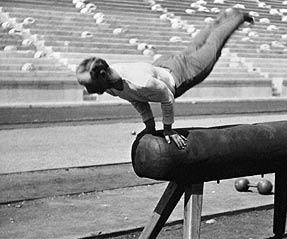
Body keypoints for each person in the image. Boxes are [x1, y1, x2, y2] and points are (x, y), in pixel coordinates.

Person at [76, 8, 253, 149]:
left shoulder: (140, 82)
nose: (86, 89)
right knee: (194, 45)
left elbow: (167, 97)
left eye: (87, 84)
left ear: (102, 75)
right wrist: (149, 125)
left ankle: (238, 16)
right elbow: (135, 98)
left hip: (181, 74)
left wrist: (168, 129)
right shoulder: (110, 83)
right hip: (161, 67)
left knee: (213, 46)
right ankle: (221, 18)